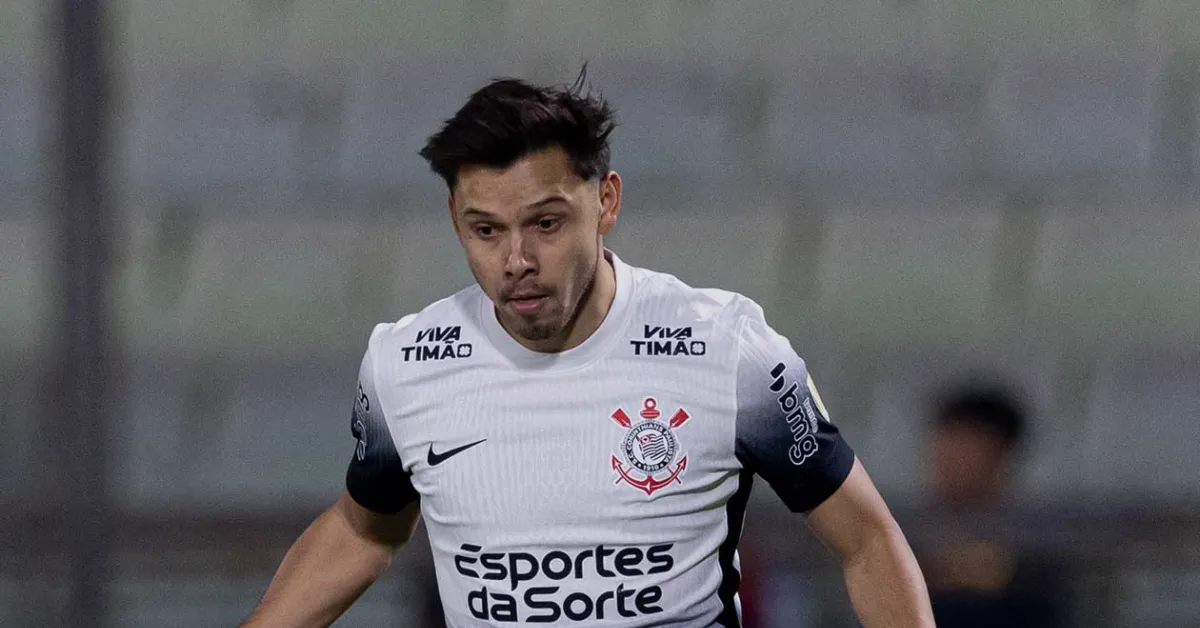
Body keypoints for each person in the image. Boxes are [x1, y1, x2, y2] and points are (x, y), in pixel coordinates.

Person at [240, 70, 934, 628]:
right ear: (455, 218)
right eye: (486, 230)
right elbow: (365, 531)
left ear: (606, 201)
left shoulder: (727, 351)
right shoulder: (407, 363)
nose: (516, 260)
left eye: (545, 223)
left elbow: (866, 540)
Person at [919, 385, 1072, 628]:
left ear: (1000, 453)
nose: (946, 462)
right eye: (942, 448)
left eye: (964, 449)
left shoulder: (1037, 542)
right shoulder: (912, 531)